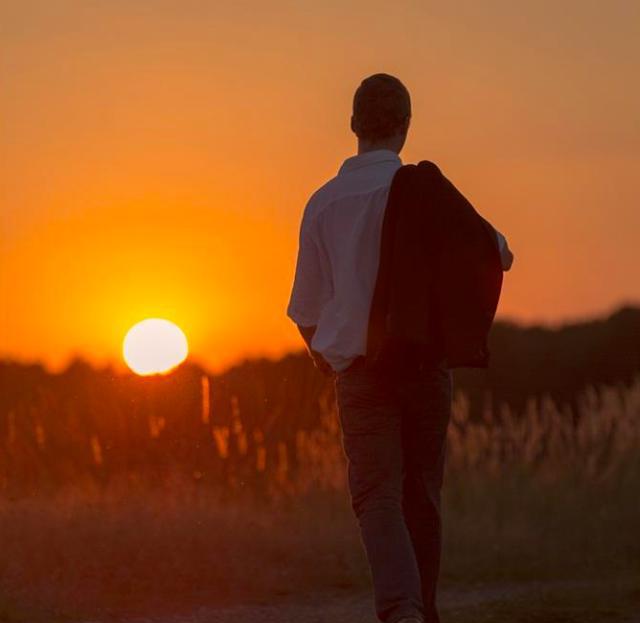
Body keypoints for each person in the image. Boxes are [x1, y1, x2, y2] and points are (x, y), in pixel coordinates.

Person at [287, 73, 513, 623]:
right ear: (406, 126)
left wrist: (327, 358)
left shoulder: (323, 203)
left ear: (352, 126)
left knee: (377, 496)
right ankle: (423, 612)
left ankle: (401, 611)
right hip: (424, 365)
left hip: (361, 372)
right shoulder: (426, 190)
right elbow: (499, 253)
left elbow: (307, 310)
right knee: (421, 494)